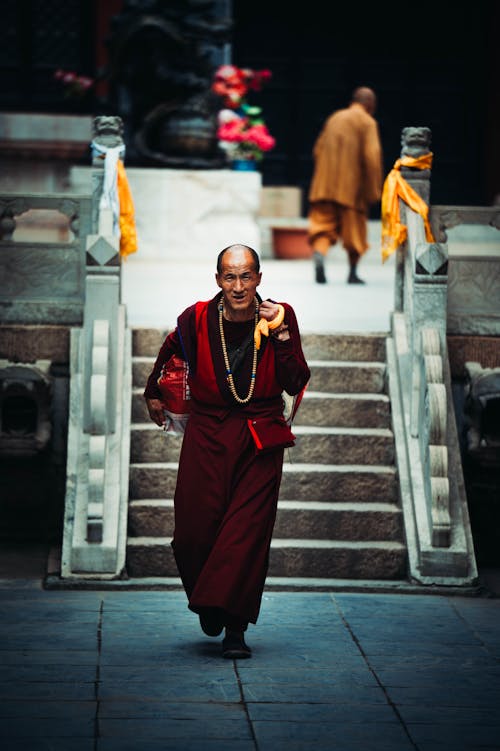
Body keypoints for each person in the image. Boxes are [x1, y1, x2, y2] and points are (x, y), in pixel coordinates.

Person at [144, 244, 310, 659]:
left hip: (259, 437)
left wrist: (285, 333)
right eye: (230, 277)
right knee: (191, 535)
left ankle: (235, 630)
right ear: (218, 279)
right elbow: (169, 352)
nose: (238, 286)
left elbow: (295, 380)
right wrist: (152, 393)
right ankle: (208, 599)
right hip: (206, 433)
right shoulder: (197, 317)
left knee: (245, 537)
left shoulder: (278, 317)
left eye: (246, 276)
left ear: (259, 278)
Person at [307, 86, 383, 285]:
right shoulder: (367, 122)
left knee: (322, 227)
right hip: (352, 190)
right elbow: (372, 158)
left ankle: (320, 253)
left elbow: (317, 149)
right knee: (355, 234)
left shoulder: (335, 118)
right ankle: (352, 272)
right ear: (370, 104)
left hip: (324, 187)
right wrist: (374, 190)